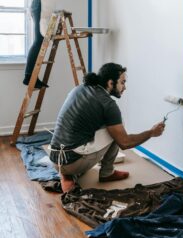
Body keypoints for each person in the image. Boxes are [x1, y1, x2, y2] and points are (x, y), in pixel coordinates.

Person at [49, 63, 166, 192]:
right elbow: (125, 143)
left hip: (55, 158)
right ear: (110, 83)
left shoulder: (79, 88)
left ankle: (67, 174)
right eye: (122, 82)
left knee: (111, 124)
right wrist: (151, 132)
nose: (124, 87)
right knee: (118, 129)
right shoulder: (108, 104)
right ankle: (106, 173)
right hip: (72, 162)